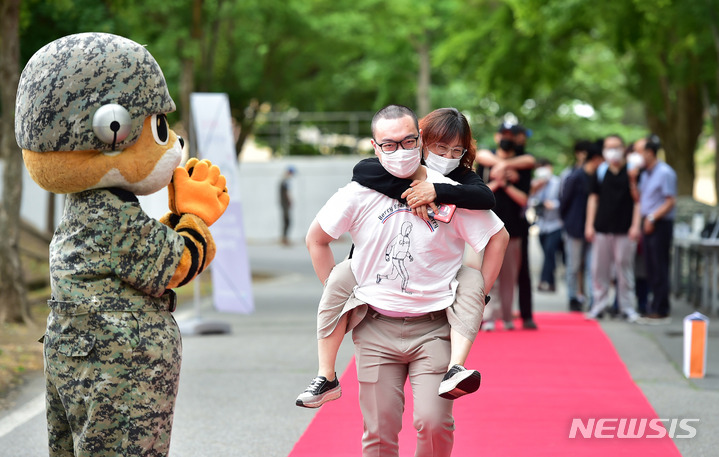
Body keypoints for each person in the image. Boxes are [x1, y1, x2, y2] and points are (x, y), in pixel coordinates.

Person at [304, 104, 508, 456]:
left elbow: (496, 235)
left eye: (407, 141)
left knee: (434, 423)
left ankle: (455, 365)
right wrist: (343, 295)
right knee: (379, 430)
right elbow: (317, 239)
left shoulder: (449, 189)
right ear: (376, 145)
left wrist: (477, 296)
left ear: (418, 140)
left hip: (433, 328)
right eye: (389, 144)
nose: (399, 151)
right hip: (376, 328)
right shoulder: (361, 187)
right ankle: (326, 374)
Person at [476, 125, 532, 331]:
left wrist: (507, 182)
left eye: (510, 136)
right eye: (503, 135)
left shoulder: (523, 163)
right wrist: (499, 180)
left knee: (509, 276)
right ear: (496, 136)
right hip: (486, 230)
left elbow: (524, 198)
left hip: (514, 230)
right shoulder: (485, 159)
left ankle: (507, 316)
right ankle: (488, 317)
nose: (505, 139)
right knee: (489, 276)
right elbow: (481, 192)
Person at [584, 134, 641, 322]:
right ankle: (598, 305)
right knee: (599, 269)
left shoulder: (633, 171)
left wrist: (635, 225)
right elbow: (593, 199)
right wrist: (589, 225)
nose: (612, 150)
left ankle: (627, 307)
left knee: (624, 269)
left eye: (616, 146)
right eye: (608, 147)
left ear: (624, 148)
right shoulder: (600, 172)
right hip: (602, 228)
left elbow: (638, 201)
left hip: (624, 229)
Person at [636, 134, 677, 322]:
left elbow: (670, 201)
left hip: (659, 223)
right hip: (647, 221)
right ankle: (653, 305)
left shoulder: (665, 172)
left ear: (650, 153)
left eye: (641, 151)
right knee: (650, 267)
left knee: (660, 266)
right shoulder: (644, 173)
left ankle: (662, 308)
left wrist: (652, 217)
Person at [560, 141, 603, 311]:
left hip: (593, 228)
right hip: (574, 228)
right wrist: (568, 222)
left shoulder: (598, 178)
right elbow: (564, 201)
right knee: (574, 265)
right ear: (596, 158)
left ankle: (593, 299)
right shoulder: (575, 177)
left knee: (592, 267)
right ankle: (573, 297)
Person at [530, 158, 563, 293]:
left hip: (556, 223)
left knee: (550, 251)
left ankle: (544, 281)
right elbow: (530, 200)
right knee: (547, 254)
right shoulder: (536, 183)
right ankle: (552, 282)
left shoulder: (558, 183)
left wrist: (552, 204)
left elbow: (564, 201)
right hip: (542, 224)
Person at [279, 165, 296, 245]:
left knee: (286, 221)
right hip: (285, 204)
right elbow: (287, 193)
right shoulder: (285, 181)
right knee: (287, 221)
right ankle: (284, 239)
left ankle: (284, 238)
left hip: (283, 203)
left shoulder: (284, 180)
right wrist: (290, 201)